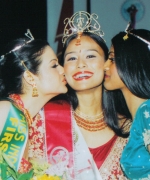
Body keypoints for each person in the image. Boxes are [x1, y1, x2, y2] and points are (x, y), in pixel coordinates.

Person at [30, 12, 129, 180]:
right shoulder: (42, 119)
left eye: (90, 56)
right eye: (71, 58)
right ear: (63, 69)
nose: (80, 64)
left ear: (107, 63)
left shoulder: (131, 128)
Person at [0, 29, 67, 180]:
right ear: (30, 77)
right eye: (54, 65)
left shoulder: (25, 118)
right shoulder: (5, 111)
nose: (63, 70)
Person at [103, 24, 150, 179]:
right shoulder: (138, 116)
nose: (105, 66)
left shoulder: (147, 112)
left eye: (112, 59)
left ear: (132, 62)